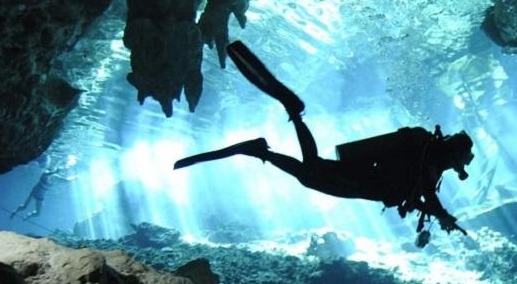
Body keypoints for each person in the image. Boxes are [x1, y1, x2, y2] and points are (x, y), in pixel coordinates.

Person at [175, 41, 474, 234]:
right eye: (464, 158)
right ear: (456, 153)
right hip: (359, 179)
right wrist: (443, 215)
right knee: (310, 172)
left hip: (361, 178)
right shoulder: (430, 161)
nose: (463, 165)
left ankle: (262, 147)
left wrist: (436, 213)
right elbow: (425, 191)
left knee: (310, 170)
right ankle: (286, 123)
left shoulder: (429, 158)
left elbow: (416, 194)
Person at [11, 155, 78, 220]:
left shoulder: (55, 177)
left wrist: (75, 177)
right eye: (53, 167)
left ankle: (28, 216)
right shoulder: (46, 172)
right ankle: (14, 211)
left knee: (37, 213)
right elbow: (46, 174)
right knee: (24, 207)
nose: (54, 168)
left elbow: (66, 180)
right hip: (35, 191)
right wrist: (55, 171)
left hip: (41, 195)